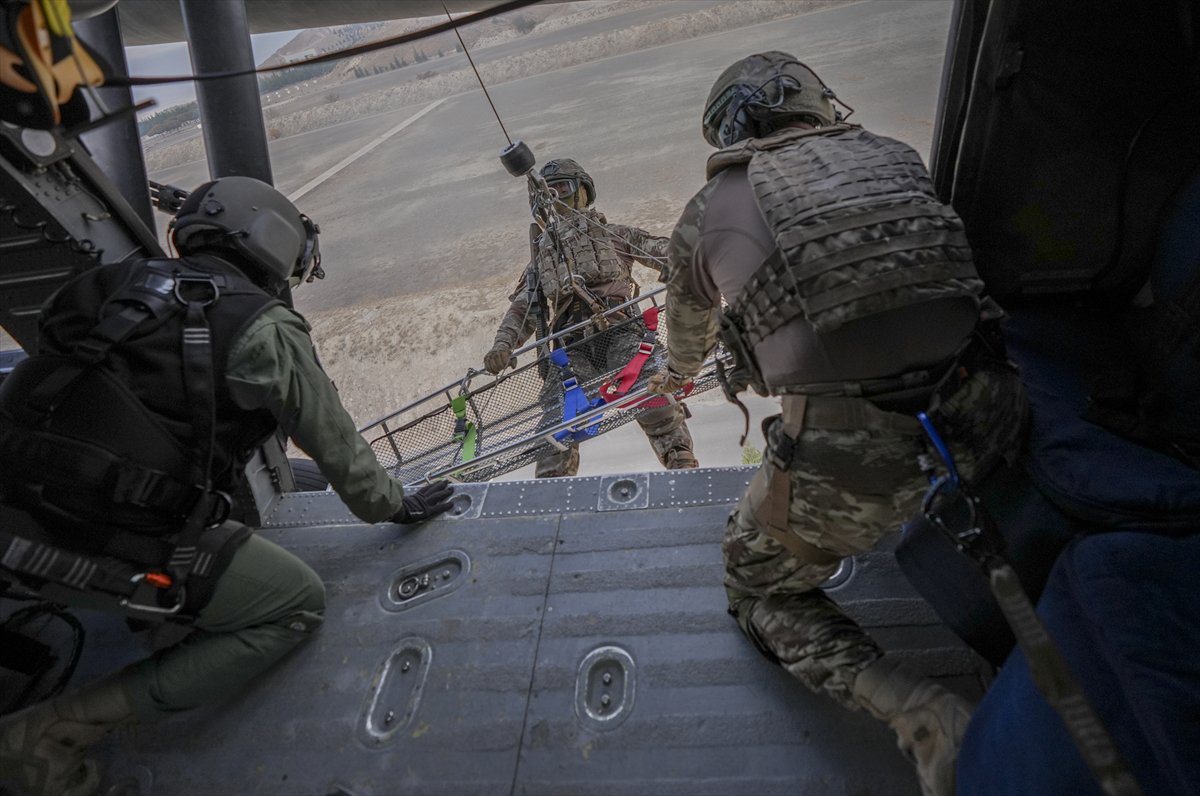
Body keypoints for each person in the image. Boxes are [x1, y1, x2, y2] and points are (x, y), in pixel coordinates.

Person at [647, 52, 1027, 796]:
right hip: (992, 414)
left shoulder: (705, 214)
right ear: (816, 104)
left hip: (854, 458)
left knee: (758, 589)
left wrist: (680, 376)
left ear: (732, 126)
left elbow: (688, 343)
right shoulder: (892, 154)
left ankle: (923, 716)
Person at [0, 176, 455, 796]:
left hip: (13, 501)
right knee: (294, 603)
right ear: (272, 242)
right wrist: (395, 504)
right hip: (98, 532)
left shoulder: (103, 286)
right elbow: (339, 452)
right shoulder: (262, 328)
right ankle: (52, 732)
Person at [483, 158, 698, 477]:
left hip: (622, 330)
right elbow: (523, 309)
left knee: (649, 388)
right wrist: (503, 345)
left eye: (563, 189)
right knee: (558, 412)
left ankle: (679, 459)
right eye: (549, 193)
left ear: (582, 192)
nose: (556, 198)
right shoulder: (541, 260)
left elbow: (663, 252)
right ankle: (552, 483)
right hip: (571, 347)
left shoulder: (613, 236)